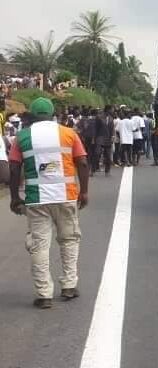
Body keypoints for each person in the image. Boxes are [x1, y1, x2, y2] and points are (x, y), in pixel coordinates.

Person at [8, 97, 89, 309]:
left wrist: (15, 197)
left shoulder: (22, 136)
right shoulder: (69, 133)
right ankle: (69, 286)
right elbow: (82, 162)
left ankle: (44, 294)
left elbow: (15, 168)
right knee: (69, 240)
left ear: (32, 115)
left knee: (39, 245)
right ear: (53, 113)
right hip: (66, 196)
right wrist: (85, 192)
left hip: (36, 199)